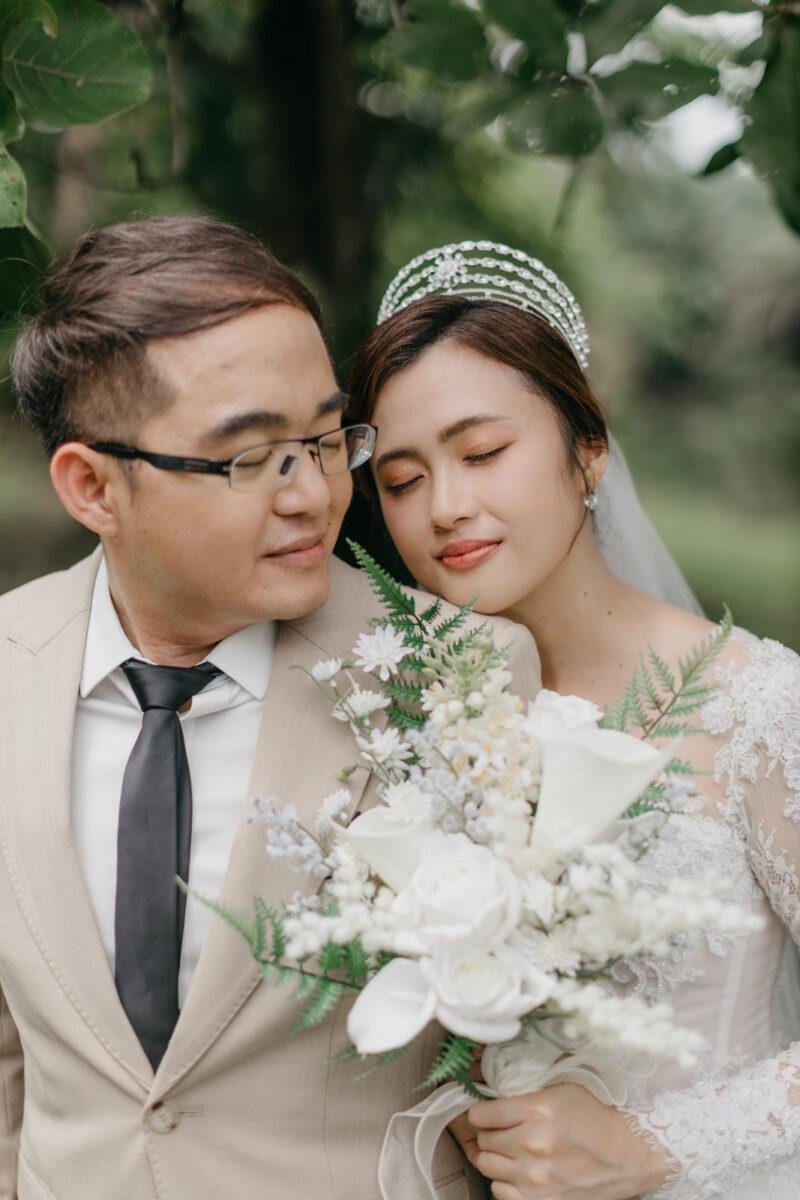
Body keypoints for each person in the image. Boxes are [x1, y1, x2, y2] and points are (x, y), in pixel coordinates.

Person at [0, 217, 540, 1200]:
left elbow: (524, 1056)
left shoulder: (459, 675)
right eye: (251, 459)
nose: (315, 494)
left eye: (328, 438)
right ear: (92, 487)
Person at [348, 241, 800, 1200]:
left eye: (482, 452)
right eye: (401, 479)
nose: (447, 507)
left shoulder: (755, 705)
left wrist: (656, 1145)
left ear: (588, 450)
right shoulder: (398, 719)